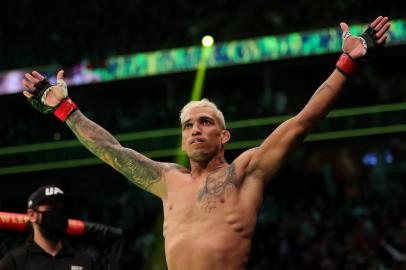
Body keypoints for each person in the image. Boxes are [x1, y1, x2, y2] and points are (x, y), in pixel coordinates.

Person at [20, 16, 390, 270]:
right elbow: (111, 151)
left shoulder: (245, 171)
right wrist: (66, 109)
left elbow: (302, 123)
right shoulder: (168, 179)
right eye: (187, 125)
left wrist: (346, 64)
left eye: (205, 122)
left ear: (223, 136)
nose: (195, 129)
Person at [0, 185, 94, 270]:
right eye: (51, 209)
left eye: (62, 209)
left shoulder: (83, 261)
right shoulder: (13, 262)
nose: (59, 214)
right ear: (32, 215)